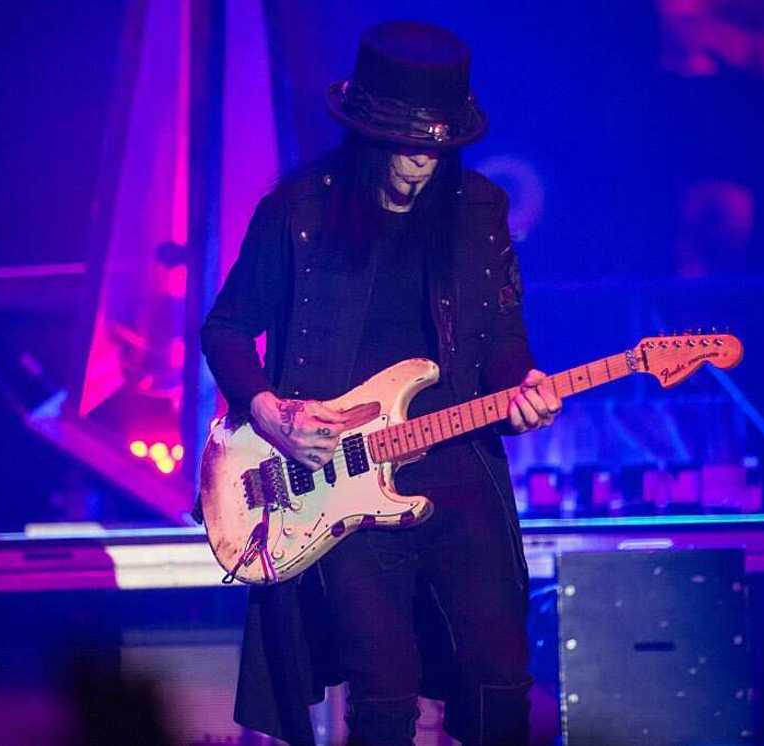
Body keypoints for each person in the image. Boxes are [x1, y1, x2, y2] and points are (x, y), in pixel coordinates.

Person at [200, 20, 559, 745]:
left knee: (499, 674)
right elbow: (226, 329)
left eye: (435, 149)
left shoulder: (480, 210)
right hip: (343, 475)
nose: (419, 166)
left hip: (458, 463)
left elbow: (502, 339)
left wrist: (523, 390)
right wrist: (270, 414)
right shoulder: (298, 211)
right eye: (404, 146)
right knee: (383, 688)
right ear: (366, 134)